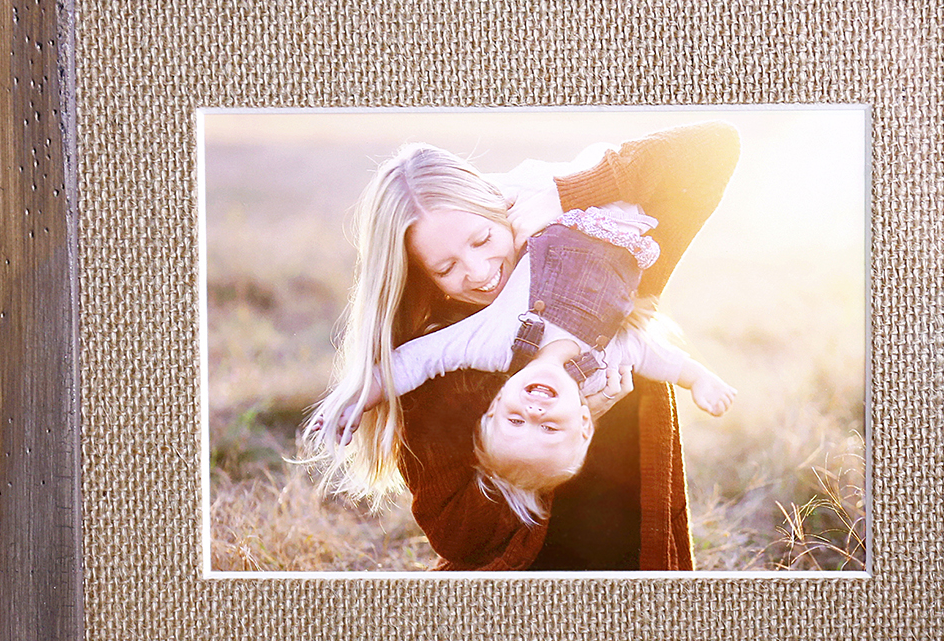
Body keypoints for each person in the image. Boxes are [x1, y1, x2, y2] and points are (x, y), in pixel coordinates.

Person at [300, 121, 740, 571]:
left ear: (503, 209)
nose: (478, 271)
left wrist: (566, 194)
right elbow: (459, 539)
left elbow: (715, 146)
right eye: (446, 266)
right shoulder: (457, 352)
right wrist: (559, 437)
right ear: (421, 276)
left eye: (483, 238)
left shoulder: (596, 242)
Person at [329, 200, 737, 525]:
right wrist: (699, 378)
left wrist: (359, 396)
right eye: (549, 426)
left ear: (492, 408)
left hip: (558, 207)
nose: (535, 411)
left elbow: (419, 359)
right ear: (583, 423)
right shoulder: (608, 364)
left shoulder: (491, 343)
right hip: (627, 218)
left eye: (517, 421)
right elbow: (658, 356)